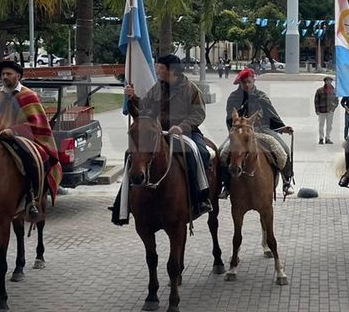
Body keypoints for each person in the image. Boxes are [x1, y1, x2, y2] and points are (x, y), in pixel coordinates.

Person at [126, 53, 213, 215]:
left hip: (185, 133)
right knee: (131, 154)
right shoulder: (158, 87)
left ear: (170, 70)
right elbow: (144, 106)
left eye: (160, 67)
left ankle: (200, 199)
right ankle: (123, 204)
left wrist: (182, 127)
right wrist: (133, 98)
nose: (157, 70)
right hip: (158, 132)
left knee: (200, 153)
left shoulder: (191, 89)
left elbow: (199, 113)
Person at [0, 60, 61, 219]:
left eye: (8, 74)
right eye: (2, 74)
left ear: (18, 76)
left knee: (31, 160)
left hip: (22, 139)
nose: (4, 77)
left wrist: (12, 130)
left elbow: (37, 123)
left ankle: (33, 196)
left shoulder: (28, 95)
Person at [224, 67, 295, 196]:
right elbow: (230, 118)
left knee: (283, 150)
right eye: (243, 82)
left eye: (248, 82)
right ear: (240, 83)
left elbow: (272, 115)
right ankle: (226, 185)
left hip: (262, 130)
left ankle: (286, 181)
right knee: (222, 153)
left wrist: (282, 127)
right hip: (240, 133)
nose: (246, 85)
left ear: (253, 81)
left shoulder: (261, 96)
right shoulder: (234, 97)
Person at [314, 75, 339, 145]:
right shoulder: (319, 90)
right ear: (325, 81)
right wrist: (317, 110)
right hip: (322, 110)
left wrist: (333, 109)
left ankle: (328, 138)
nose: (328, 82)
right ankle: (321, 138)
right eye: (327, 80)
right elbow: (316, 101)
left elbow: (336, 101)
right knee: (321, 125)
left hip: (330, 111)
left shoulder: (334, 91)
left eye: (330, 80)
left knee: (329, 125)